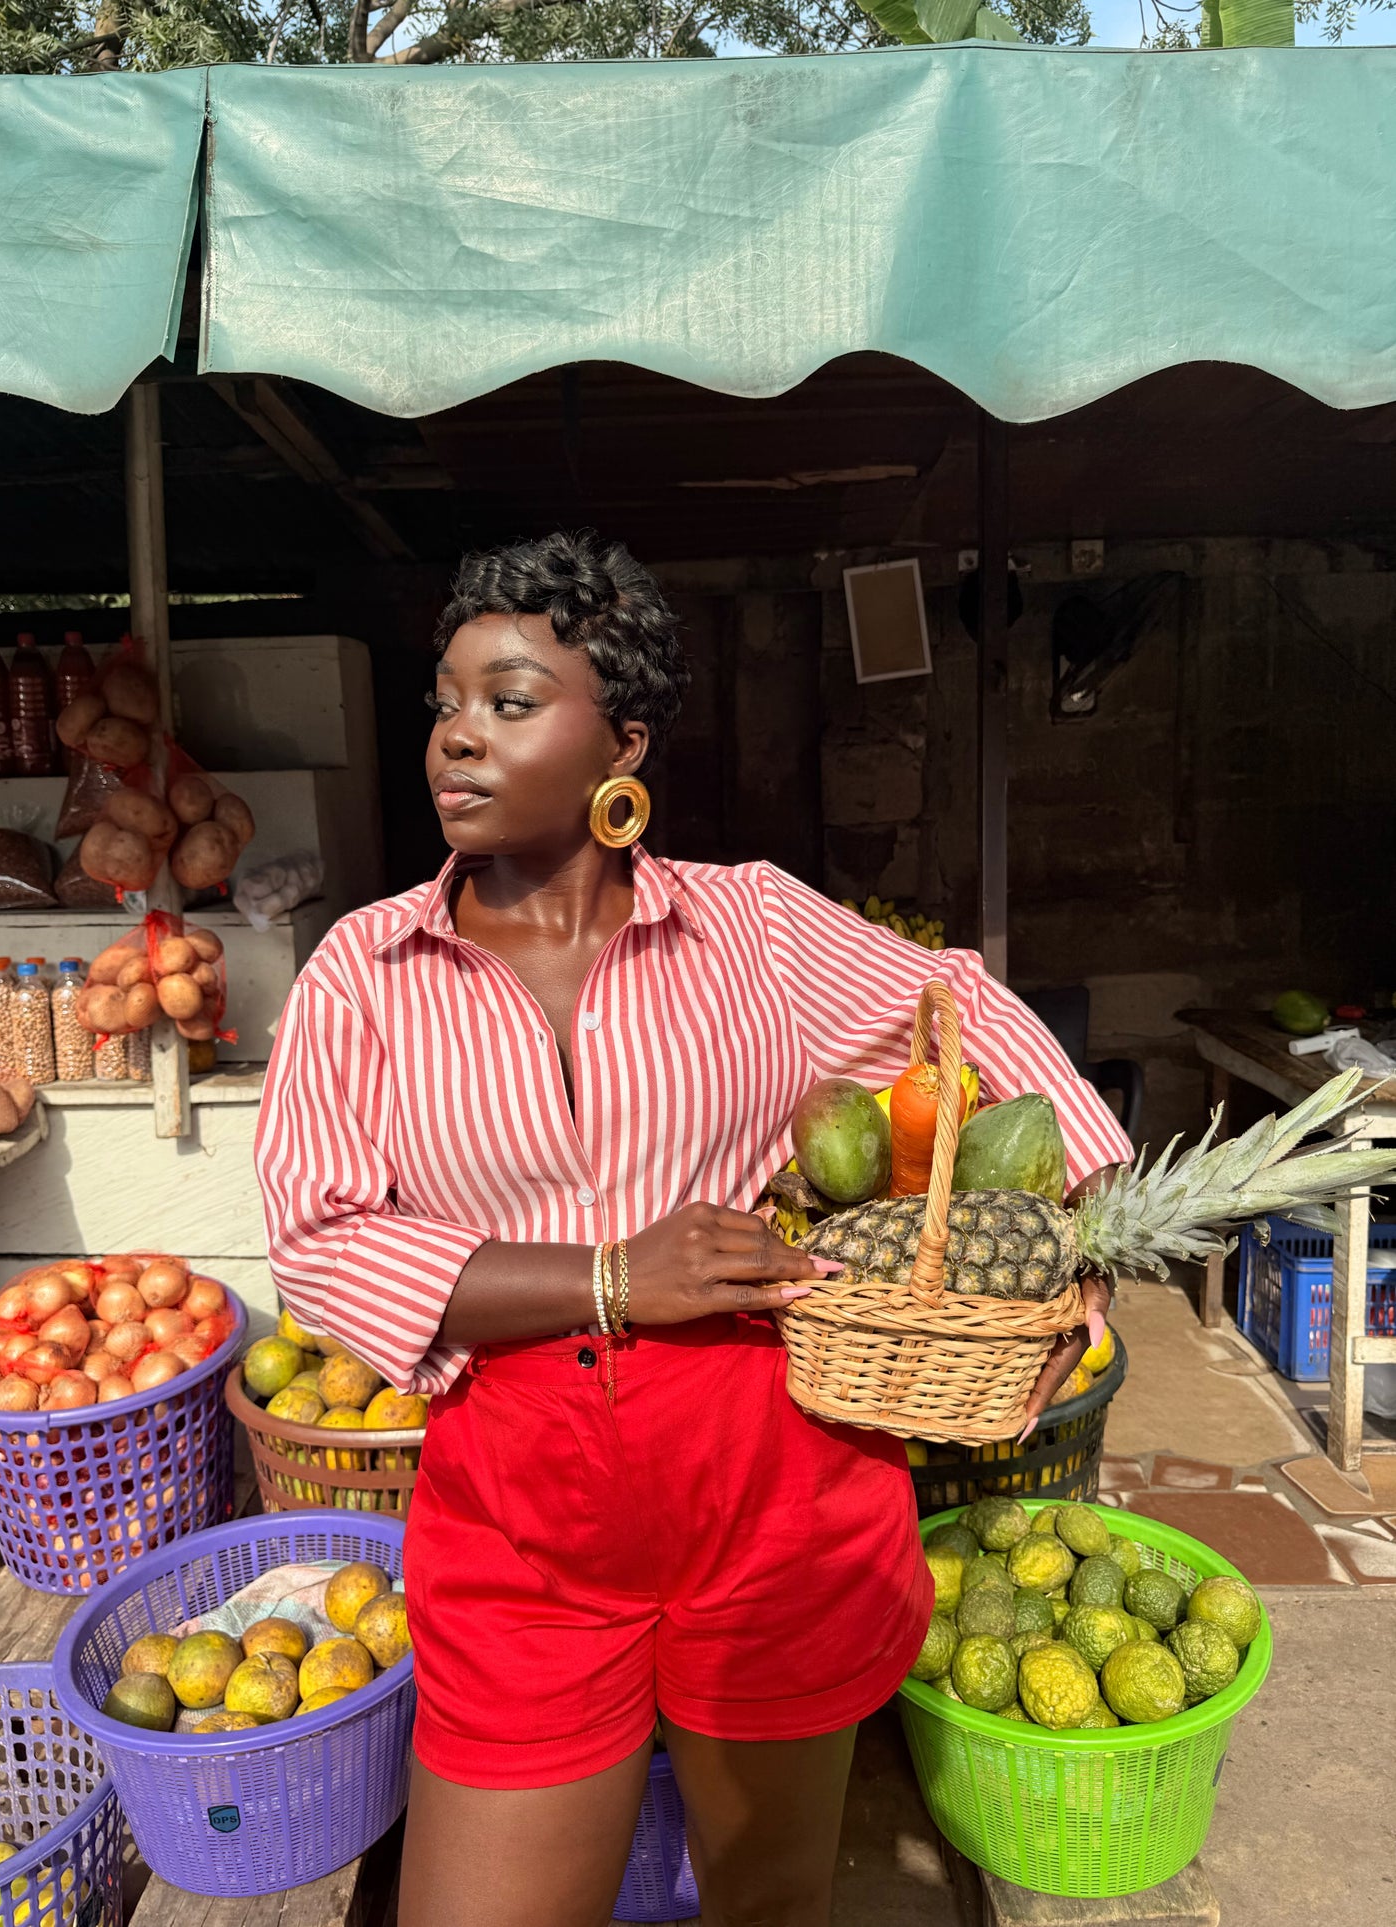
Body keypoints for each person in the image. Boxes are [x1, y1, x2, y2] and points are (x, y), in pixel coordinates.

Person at [255, 531, 1131, 1927]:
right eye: (445, 703)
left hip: (771, 1479)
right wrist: (607, 1277)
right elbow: (322, 1237)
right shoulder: (363, 973)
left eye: (510, 700)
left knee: (769, 1906)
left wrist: (1072, 1253)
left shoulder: (750, 930)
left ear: (625, 742)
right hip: (522, 1505)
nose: (455, 741)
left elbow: (960, 1012)